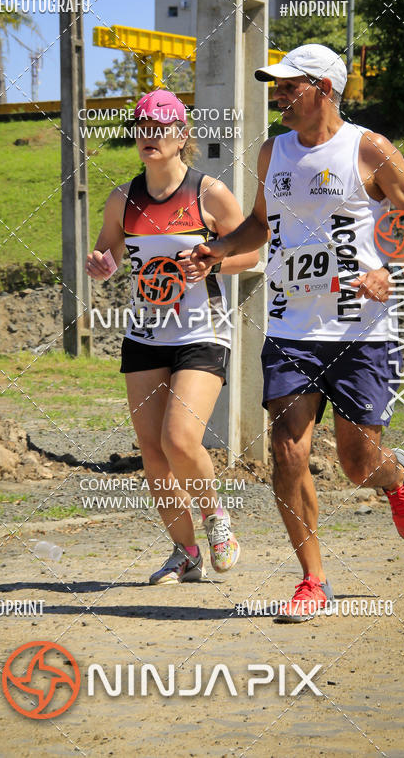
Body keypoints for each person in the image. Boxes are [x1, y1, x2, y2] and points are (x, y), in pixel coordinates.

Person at [191, 44, 404, 620]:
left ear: (323, 90)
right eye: (276, 88)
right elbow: (259, 224)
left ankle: (393, 473)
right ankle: (313, 580)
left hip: (359, 329)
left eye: (289, 87)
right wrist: (218, 249)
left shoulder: (368, 148)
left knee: (357, 462)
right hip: (289, 325)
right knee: (288, 451)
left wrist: (390, 271)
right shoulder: (271, 152)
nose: (278, 97)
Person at [86, 89, 259, 584]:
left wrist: (213, 258)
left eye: (161, 128)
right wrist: (101, 266)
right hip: (145, 335)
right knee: (153, 452)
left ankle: (215, 518)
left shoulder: (209, 194)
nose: (149, 136)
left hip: (202, 331)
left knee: (180, 438)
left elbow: (252, 251)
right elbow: (106, 256)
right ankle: (185, 552)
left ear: (183, 137)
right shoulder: (123, 198)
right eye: (141, 128)